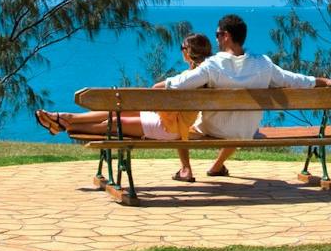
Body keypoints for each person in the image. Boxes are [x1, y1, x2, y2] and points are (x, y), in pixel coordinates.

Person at [162, 13, 331, 177]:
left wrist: (160, 85)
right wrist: (324, 81)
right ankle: (217, 167)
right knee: (238, 123)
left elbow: (179, 84)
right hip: (246, 131)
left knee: (181, 122)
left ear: (226, 36)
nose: (216, 39)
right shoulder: (263, 64)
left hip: (213, 129)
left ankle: (186, 168)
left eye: (217, 35)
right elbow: (293, 79)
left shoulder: (212, 65)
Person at [36, 33, 215, 182]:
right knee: (116, 111)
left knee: (114, 122)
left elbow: (156, 88)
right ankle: (66, 118)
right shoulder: (204, 75)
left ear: (189, 52)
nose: (181, 51)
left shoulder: (192, 77)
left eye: (182, 47)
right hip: (169, 122)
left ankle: (64, 125)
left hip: (168, 127)